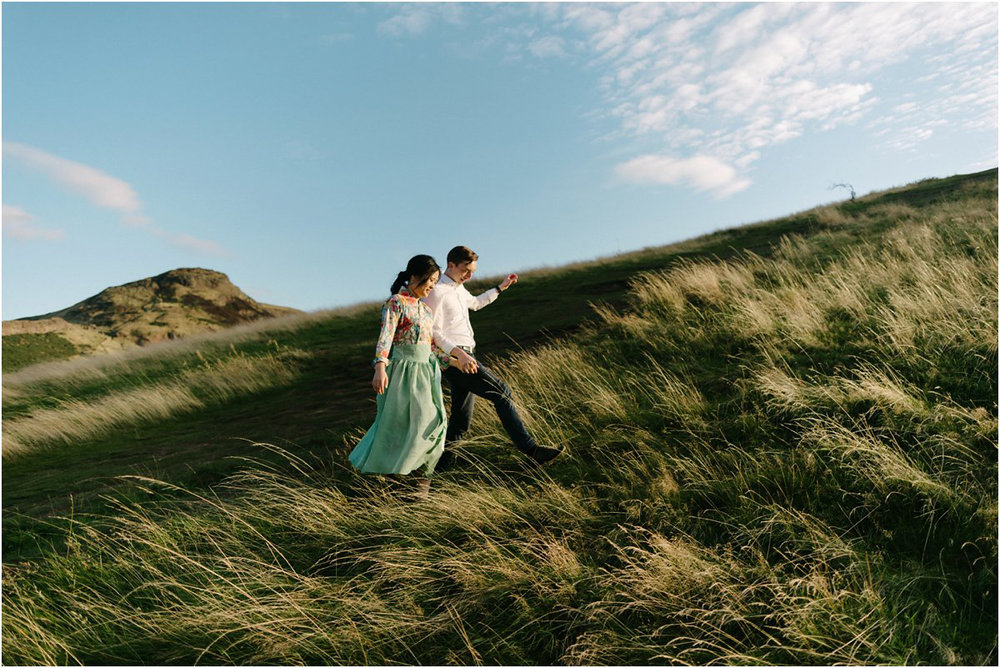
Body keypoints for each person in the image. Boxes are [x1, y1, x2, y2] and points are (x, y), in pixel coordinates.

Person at [349, 255, 478, 494]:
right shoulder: (396, 302)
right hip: (401, 373)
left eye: (436, 281)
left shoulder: (427, 311)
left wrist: (454, 362)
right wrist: (380, 367)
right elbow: (385, 338)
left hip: (426, 375)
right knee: (401, 428)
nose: (432, 286)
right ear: (414, 276)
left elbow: (430, 348)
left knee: (434, 426)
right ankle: (399, 485)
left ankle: (420, 486)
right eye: (430, 280)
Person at [424, 245, 562, 467]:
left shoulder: (458, 289)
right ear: (451, 265)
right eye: (466, 270)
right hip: (456, 358)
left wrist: (500, 288)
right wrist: (459, 355)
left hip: (467, 354)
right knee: (501, 392)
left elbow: (476, 304)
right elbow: (434, 332)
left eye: (473, 272)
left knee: (460, 422)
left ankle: (441, 469)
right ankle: (530, 449)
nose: (469, 276)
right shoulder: (437, 291)